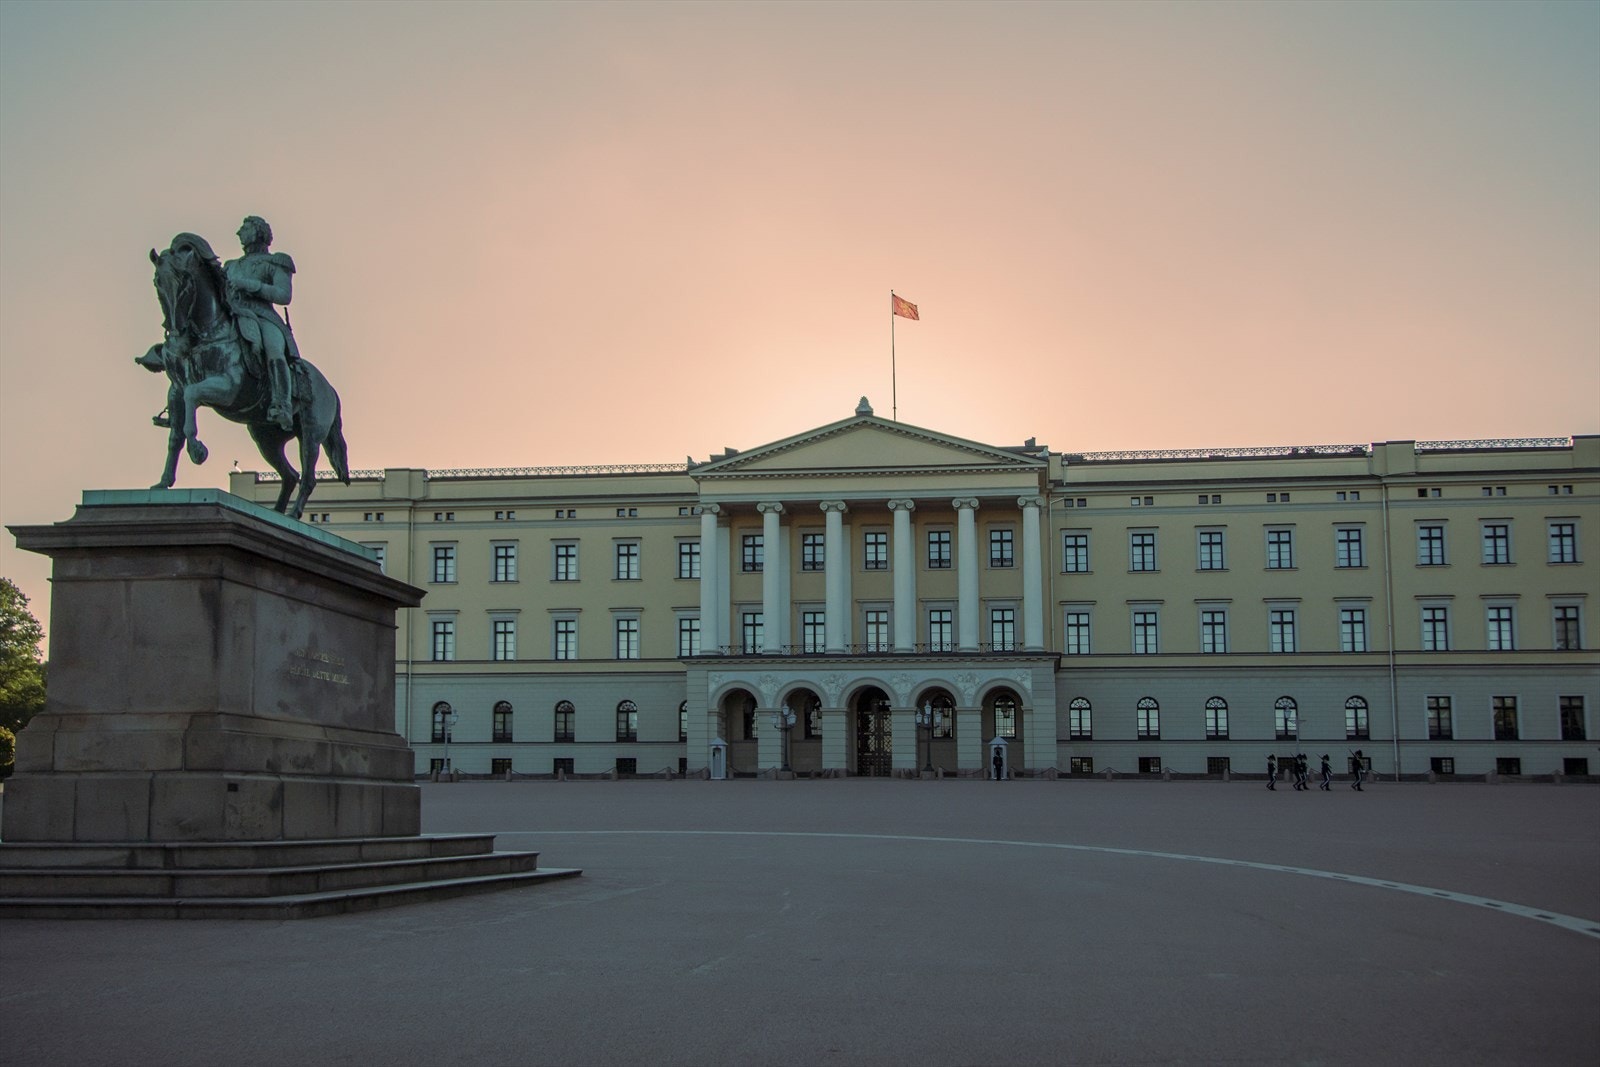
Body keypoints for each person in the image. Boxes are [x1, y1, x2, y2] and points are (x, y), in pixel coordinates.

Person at [225, 216, 302, 430]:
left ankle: (282, 404)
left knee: (274, 350)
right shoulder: (231, 266)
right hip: (235, 313)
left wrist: (249, 285)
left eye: (244, 228)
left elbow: (283, 295)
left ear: (258, 232)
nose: (239, 233)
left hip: (263, 316)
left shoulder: (276, 262)